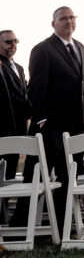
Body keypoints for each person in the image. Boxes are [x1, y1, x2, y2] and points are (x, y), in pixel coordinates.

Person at [25, 7, 84, 226]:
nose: (68, 21)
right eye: (63, 18)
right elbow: (36, 87)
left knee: (68, 177)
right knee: (37, 177)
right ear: (53, 24)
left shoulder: (81, 48)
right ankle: (23, 224)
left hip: (76, 127)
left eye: (72, 17)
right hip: (51, 126)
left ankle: (63, 224)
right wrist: (42, 120)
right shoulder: (43, 49)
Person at [0, 29, 30, 180]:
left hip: (19, 125)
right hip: (4, 126)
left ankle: (4, 203)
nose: (13, 44)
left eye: (15, 41)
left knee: (11, 172)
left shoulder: (19, 67)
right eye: (8, 42)